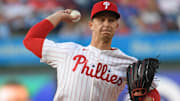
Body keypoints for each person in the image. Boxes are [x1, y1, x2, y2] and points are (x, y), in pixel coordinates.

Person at [23, 0, 160, 101]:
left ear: (116, 26)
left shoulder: (128, 63)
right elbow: (30, 40)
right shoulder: (68, 51)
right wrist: (59, 16)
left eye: (111, 20)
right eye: (101, 19)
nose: (106, 24)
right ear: (91, 25)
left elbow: (152, 93)